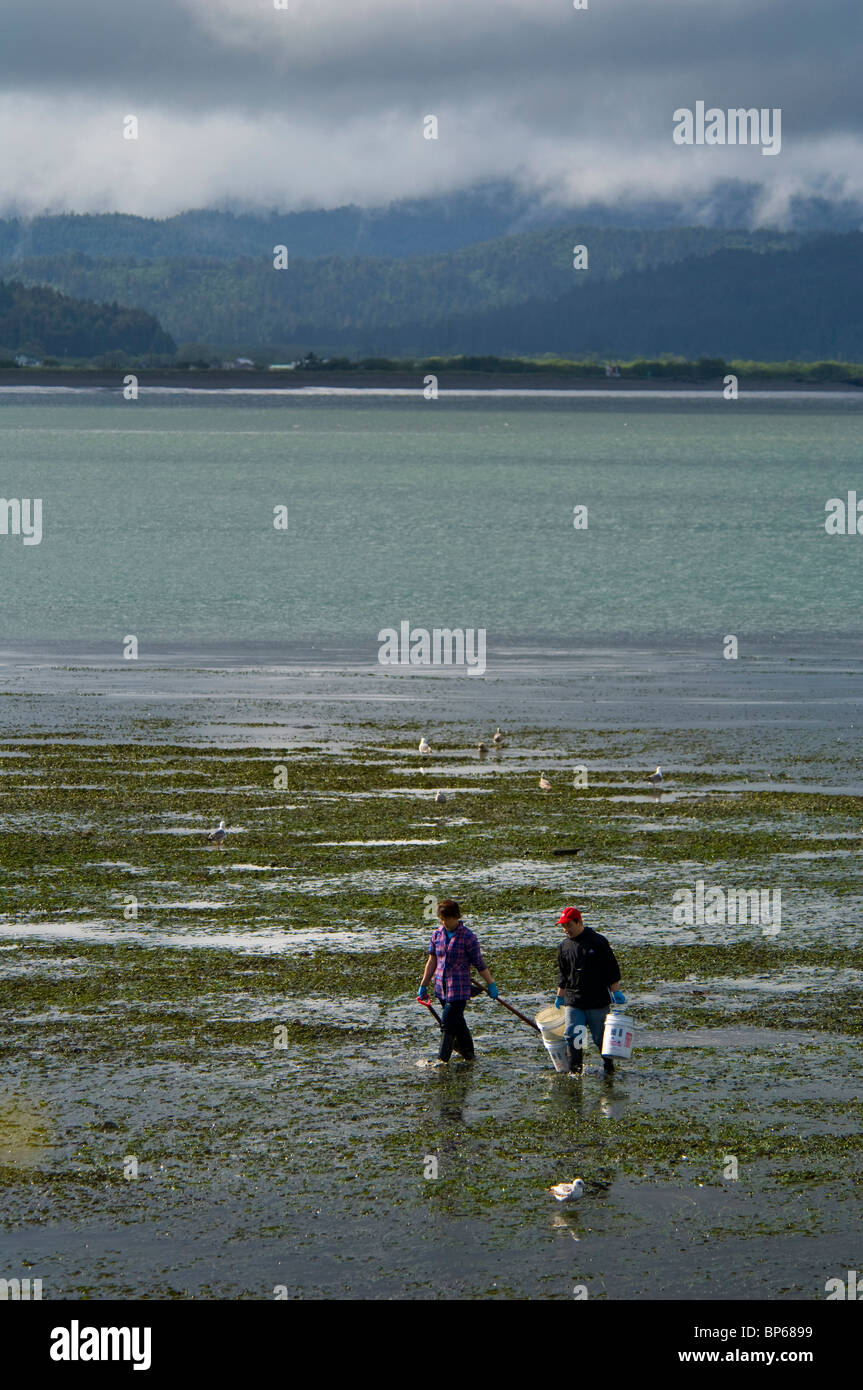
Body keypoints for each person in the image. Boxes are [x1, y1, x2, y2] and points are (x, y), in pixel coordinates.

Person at [417, 899, 498, 1066]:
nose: (444, 922)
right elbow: (432, 961)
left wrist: (490, 983)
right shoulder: (437, 935)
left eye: (447, 918)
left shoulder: (468, 937)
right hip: (441, 987)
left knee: (447, 1024)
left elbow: (479, 963)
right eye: (442, 919)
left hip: (459, 989)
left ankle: (442, 1060)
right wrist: (423, 984)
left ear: (456, 917)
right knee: (458, 1022)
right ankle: (469, 1054)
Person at [553, 906, 625, 1076]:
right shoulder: (564, 946)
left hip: (597, 1001)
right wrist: (559, 997)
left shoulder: (598, 942)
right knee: (574, 1036)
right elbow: (563, 974)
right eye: (563, 926)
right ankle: (575, 1071)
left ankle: (609, 1069)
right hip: (574, 1001)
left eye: (568, 925)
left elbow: (611, 969)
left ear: (579, 922)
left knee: (600, 1038)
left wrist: (615, 991)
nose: (565, 930)